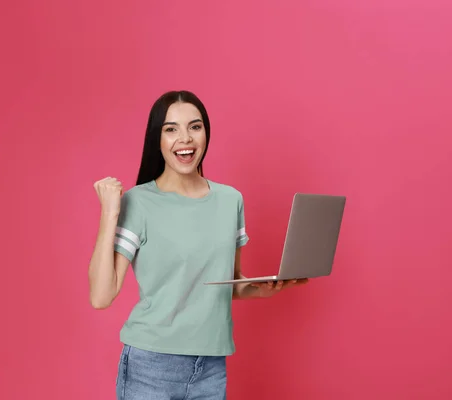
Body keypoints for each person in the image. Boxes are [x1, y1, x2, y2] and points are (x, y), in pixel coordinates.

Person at [88, 90, 308, 400]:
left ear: (206, 132)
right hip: (151, 366)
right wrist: (109, 213)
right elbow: (101, 295)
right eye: (171, 129)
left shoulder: (230, 200)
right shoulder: (138, 202)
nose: (185, 139)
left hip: (211, 367)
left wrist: (266, 286)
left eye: (195, 126)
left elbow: (228, 283)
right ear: (158, 139)